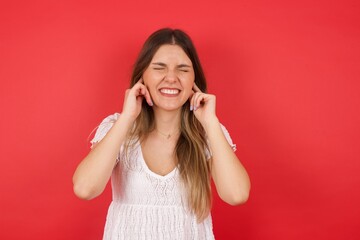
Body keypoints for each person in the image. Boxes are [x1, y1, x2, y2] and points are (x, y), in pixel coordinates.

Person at [72, 28, 250, 239]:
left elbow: (236, 195)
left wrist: (210, 122)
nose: (171, 78)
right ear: (142, 76)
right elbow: (85, 189)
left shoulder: (209, 132)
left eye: (183, 69)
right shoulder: (118, 127)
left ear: (194, 79)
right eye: (159, 68)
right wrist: (127, 117)